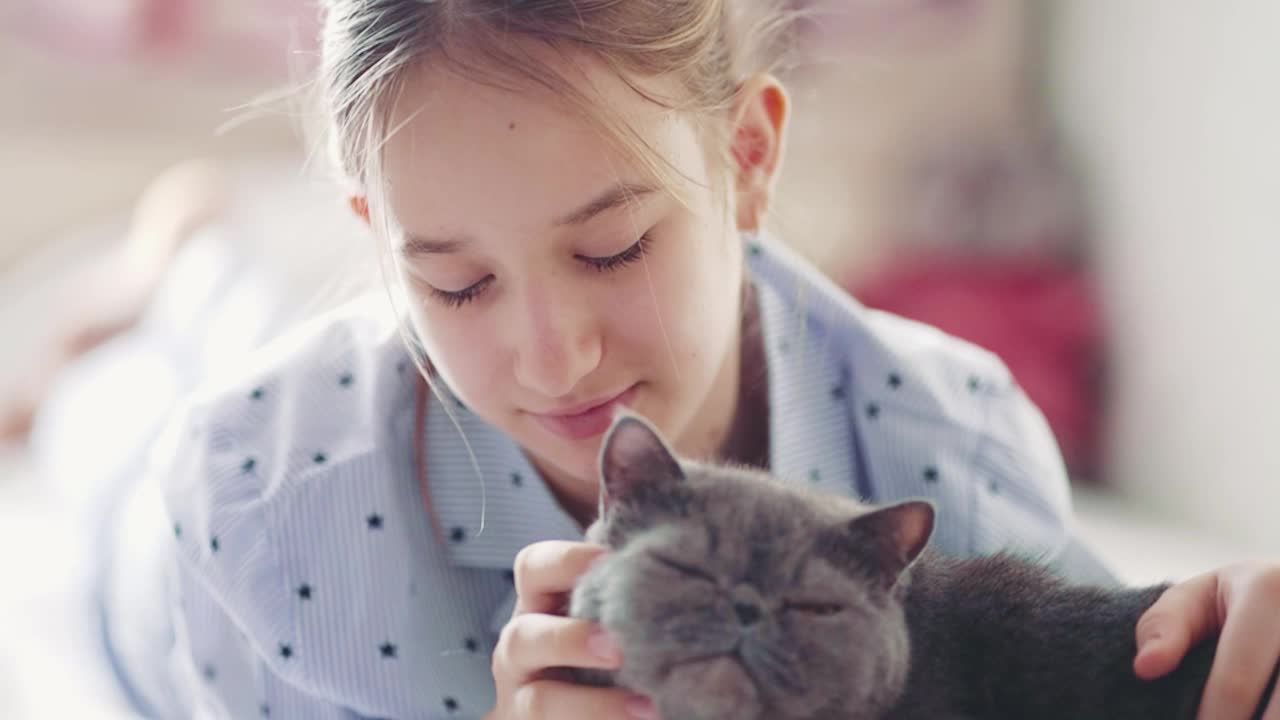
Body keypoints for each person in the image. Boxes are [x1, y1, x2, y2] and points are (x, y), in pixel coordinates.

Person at [98, 1, 1278, 719]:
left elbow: (1118, 663)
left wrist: (1216, 650)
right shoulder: (262, 500)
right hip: (168, 497)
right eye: (455, 283)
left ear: (751, 155)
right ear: (384, 248)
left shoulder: (949, 451)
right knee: (162, 354)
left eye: (611, 250)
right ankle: (165, 257)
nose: (555, 358)